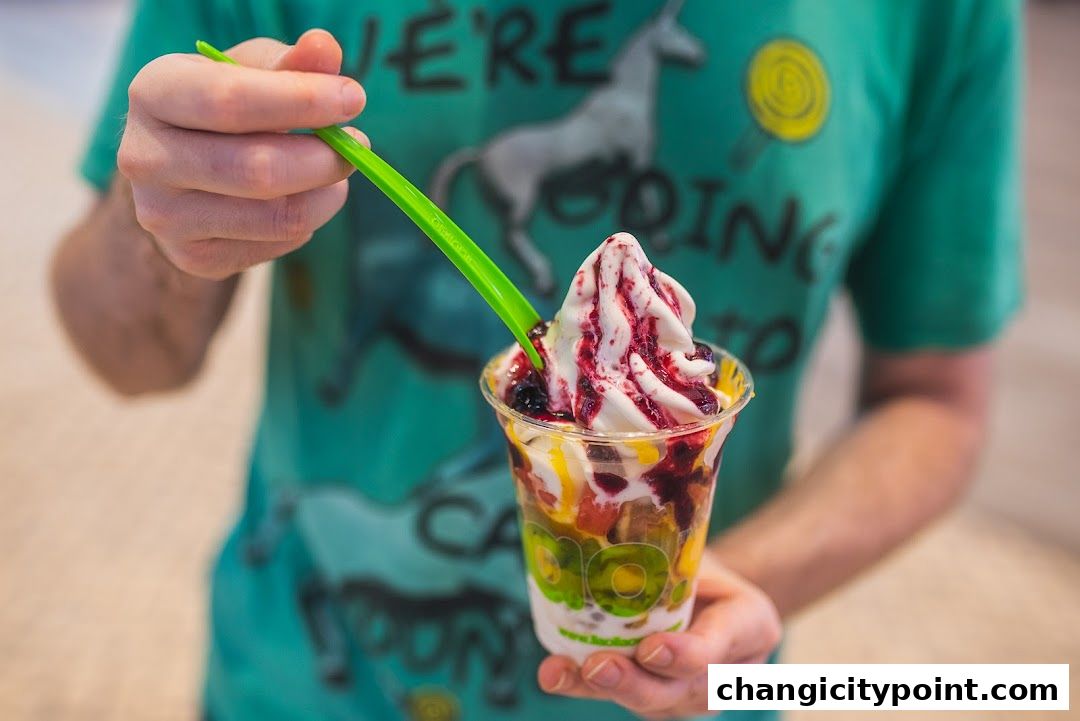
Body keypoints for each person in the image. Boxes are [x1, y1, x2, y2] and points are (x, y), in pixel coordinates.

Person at [50, 1, 1022, 719]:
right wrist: (162, 229)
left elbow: (936, 399)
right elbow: (124, 357)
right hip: (304, 679)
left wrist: (732, 585)